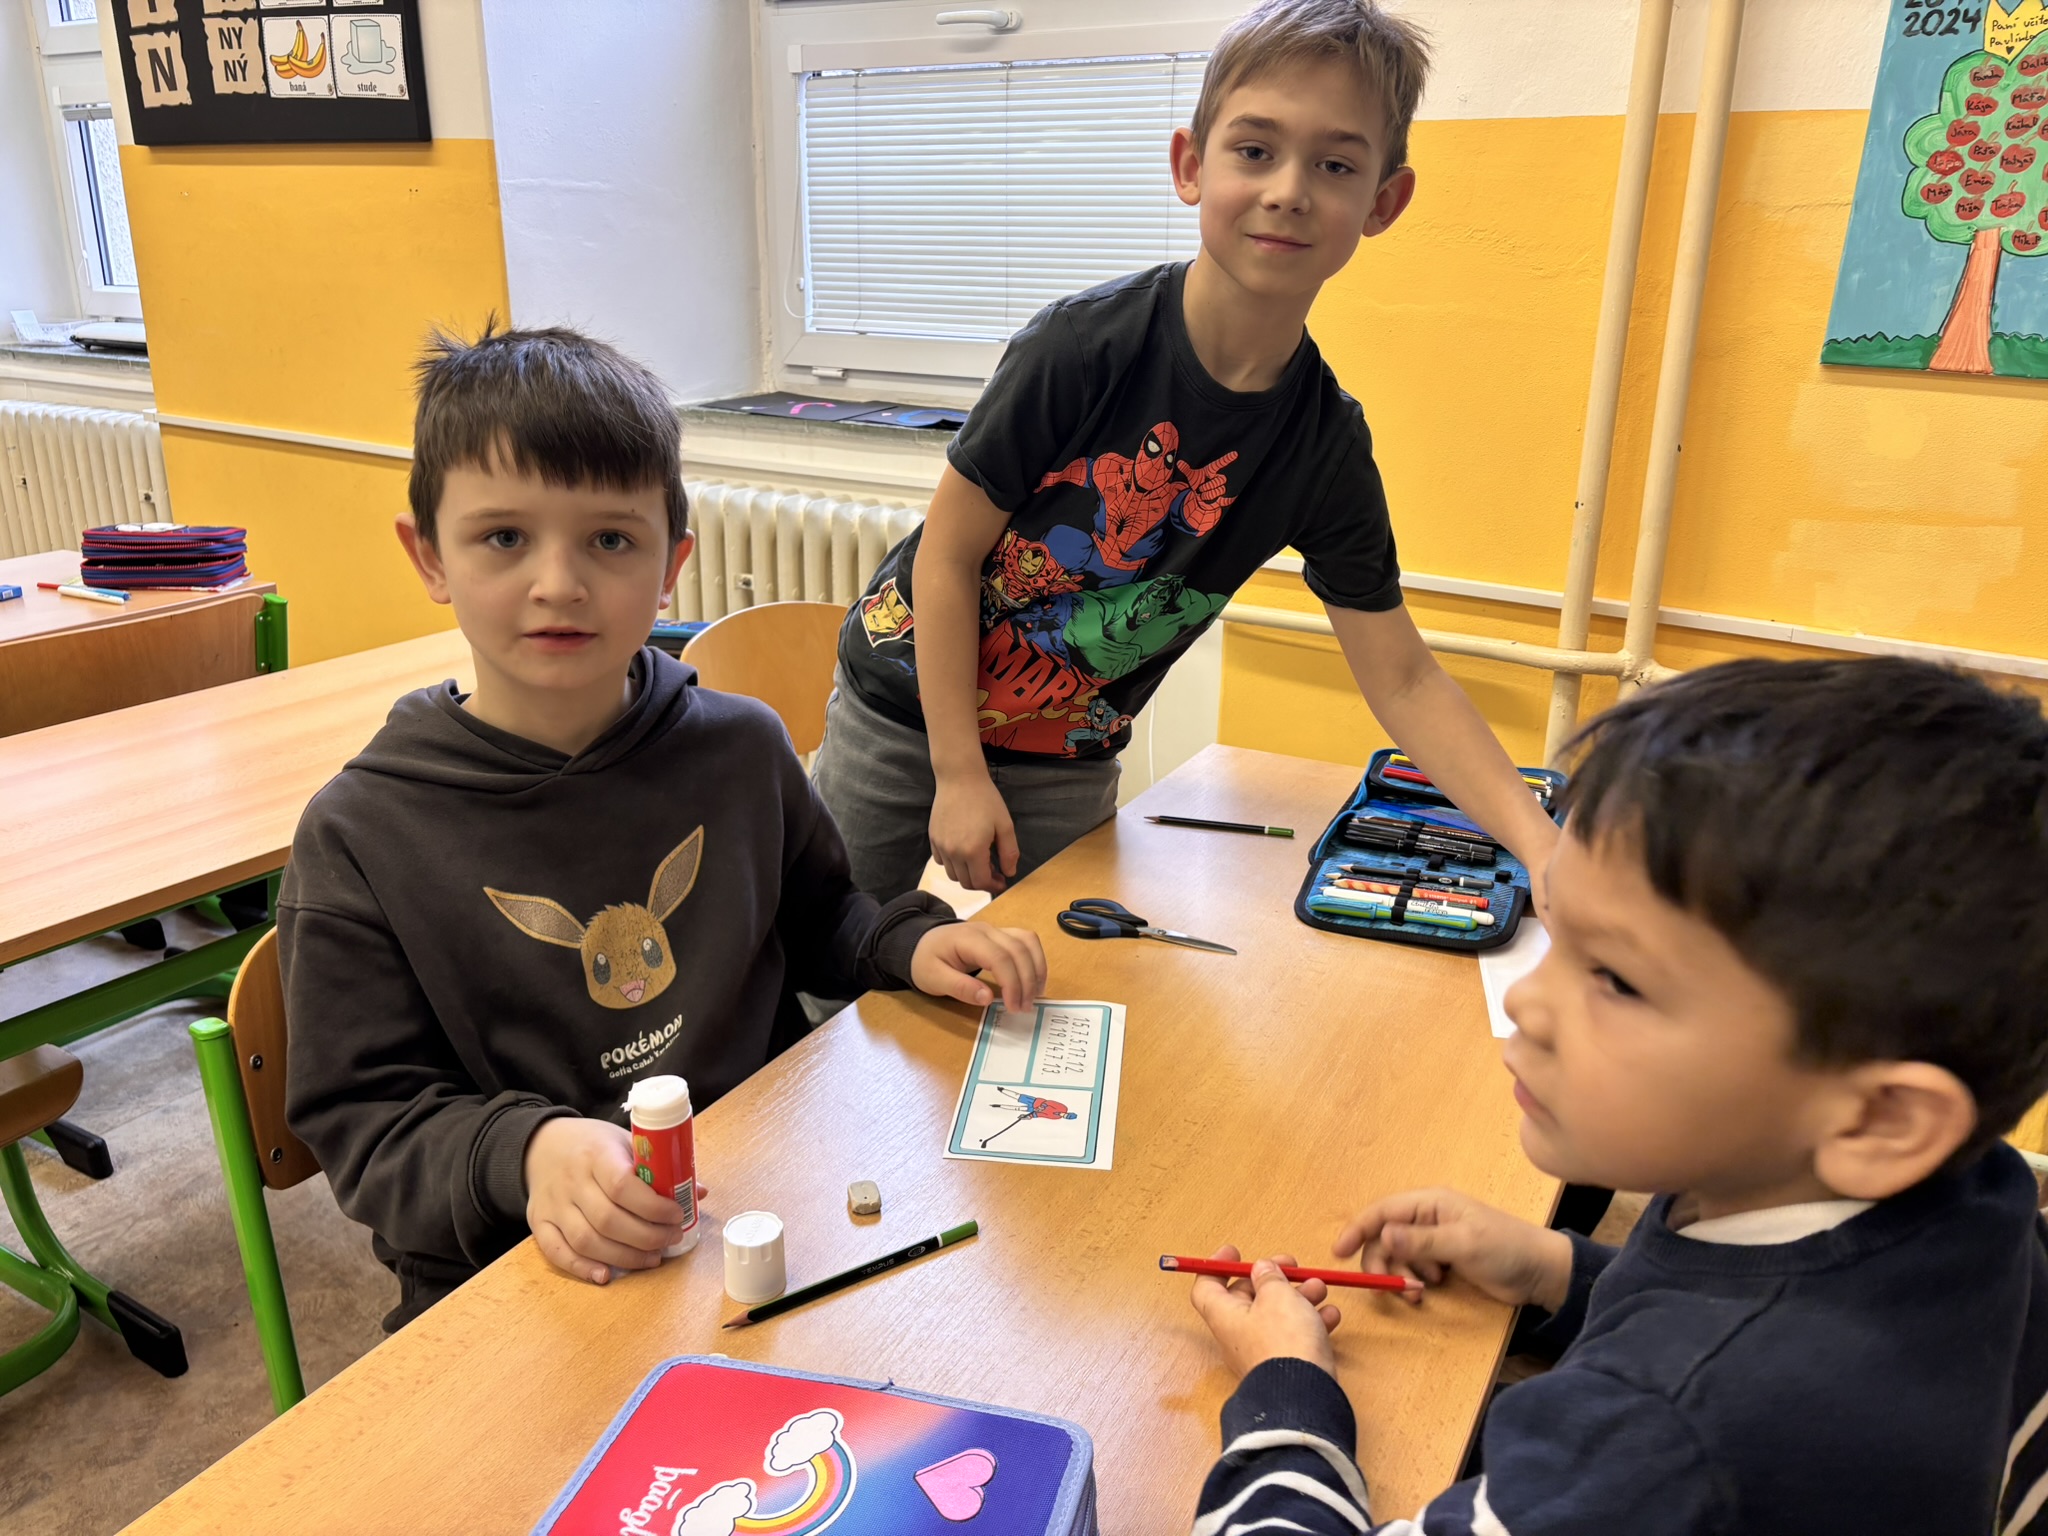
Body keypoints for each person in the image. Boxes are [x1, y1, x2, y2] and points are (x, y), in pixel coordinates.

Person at [280, 324, 1047, 1329]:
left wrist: (905, 943)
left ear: (672, 561)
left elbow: (823, 915)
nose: (559, 583)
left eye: (610, 540)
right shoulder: (359, 837)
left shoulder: (741, 747)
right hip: (518, 1275)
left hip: (762, 1192)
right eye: (504, 538)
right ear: (428, 556)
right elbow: (365, 1125)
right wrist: (523, 1154)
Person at [1186, 657, 2048, 1534]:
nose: (1526, 1001)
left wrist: (1285, 1391)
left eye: (1618, 979)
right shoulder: (1980, 1200)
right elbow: (1758, 1312)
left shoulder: (1657, 1436)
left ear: (1883, 1120)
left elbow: (1699, 1401)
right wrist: (1553, 1271)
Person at [811, 0, 1558, 902]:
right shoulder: (1079, 347)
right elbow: (948, 554)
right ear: (1191, 166)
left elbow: (1403, 679)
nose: (1289, 190)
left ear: (1383, 203)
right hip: (902, 711)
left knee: (1072, 968)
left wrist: (1544, 847)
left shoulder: (1323, 446)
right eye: (1256, 150)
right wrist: (958, 771)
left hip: (1068, 754)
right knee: (830, 951)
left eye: (1334, 164)